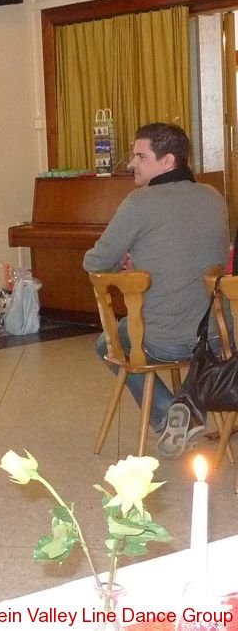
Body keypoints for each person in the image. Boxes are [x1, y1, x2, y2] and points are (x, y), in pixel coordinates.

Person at [83, 122, 229, 457]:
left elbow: (95, 262)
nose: (131, 163)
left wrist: (125, 264)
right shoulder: (213, 196)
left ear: (168, 161)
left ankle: (169, 414)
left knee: (107, 343)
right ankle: (187, 410)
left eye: (140, 156)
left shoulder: (140, 202)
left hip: (163, 340)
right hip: (217, 334)